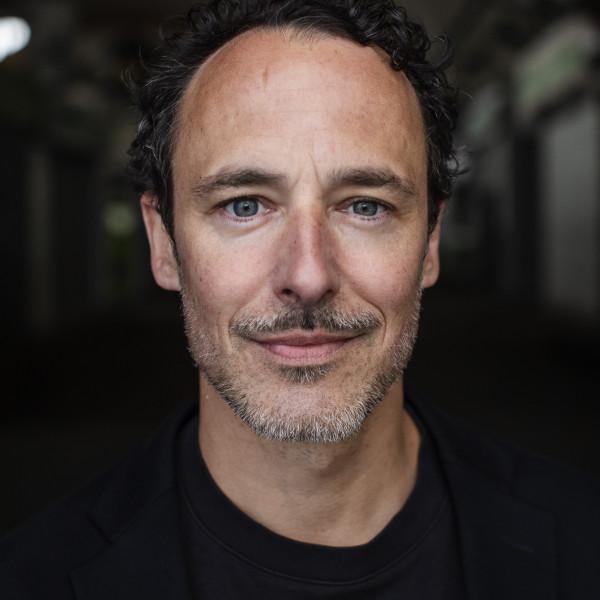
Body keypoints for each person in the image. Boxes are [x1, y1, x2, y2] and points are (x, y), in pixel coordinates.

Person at [2, 1, 599, 598]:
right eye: (244, 206)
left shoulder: (583, 544)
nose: (308, 276)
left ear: (430, 242)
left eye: (365, 206)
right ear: (163, 243)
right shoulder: (31, 579)